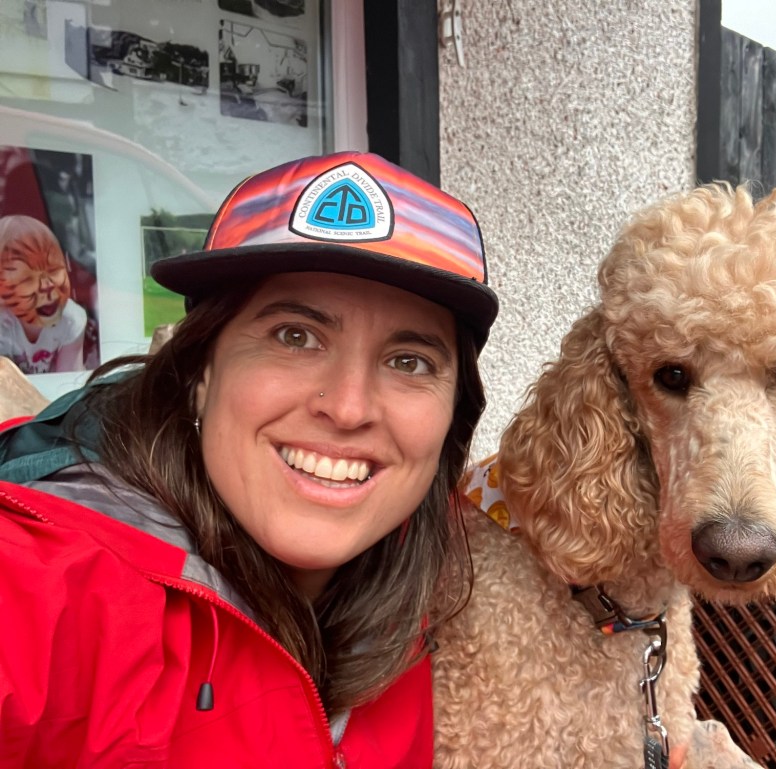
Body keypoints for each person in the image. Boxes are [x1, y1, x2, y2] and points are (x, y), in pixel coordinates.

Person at [0, 151, 498, 768]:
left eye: (409, 361)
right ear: (200, 374)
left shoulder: (435, 570)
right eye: (295, 336)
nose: (348, 408)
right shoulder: (41, 590)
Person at [0, 214, 87, 373]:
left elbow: (70, 380)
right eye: (27, 279)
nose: (47, 286)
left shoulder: (71, 319)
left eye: (54, 270)